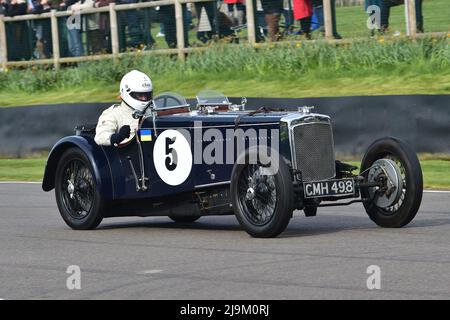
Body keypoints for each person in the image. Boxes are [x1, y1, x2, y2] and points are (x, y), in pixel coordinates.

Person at [95, 70, 153, 147]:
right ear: (126, 92)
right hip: (126, 155)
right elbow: (100, 137)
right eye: (140, 95)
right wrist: (118, 136)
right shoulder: (113, 113)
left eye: (147, 95)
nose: (144, 98)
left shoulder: (152, 112)